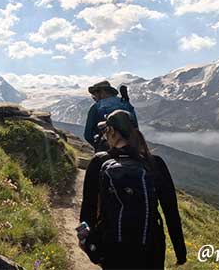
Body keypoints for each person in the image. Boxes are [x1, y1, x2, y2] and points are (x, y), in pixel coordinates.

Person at [78, 110, 186, 270]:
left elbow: (88, 208)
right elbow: (171, 212)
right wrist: (180, 252)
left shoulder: (99, 162)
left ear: (112, 131)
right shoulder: (155, 163)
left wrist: (87, 243)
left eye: (106, 131)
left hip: (113, 248)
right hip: (151, 248)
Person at [84, 81, 138, 151]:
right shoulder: (126, 103)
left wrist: (99, 146)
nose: (94, 97)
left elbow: (88, 135)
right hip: (131, 147)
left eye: (95, 94)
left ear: (102, 92)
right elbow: (136, 126)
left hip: (107, 148)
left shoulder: (96, 107)